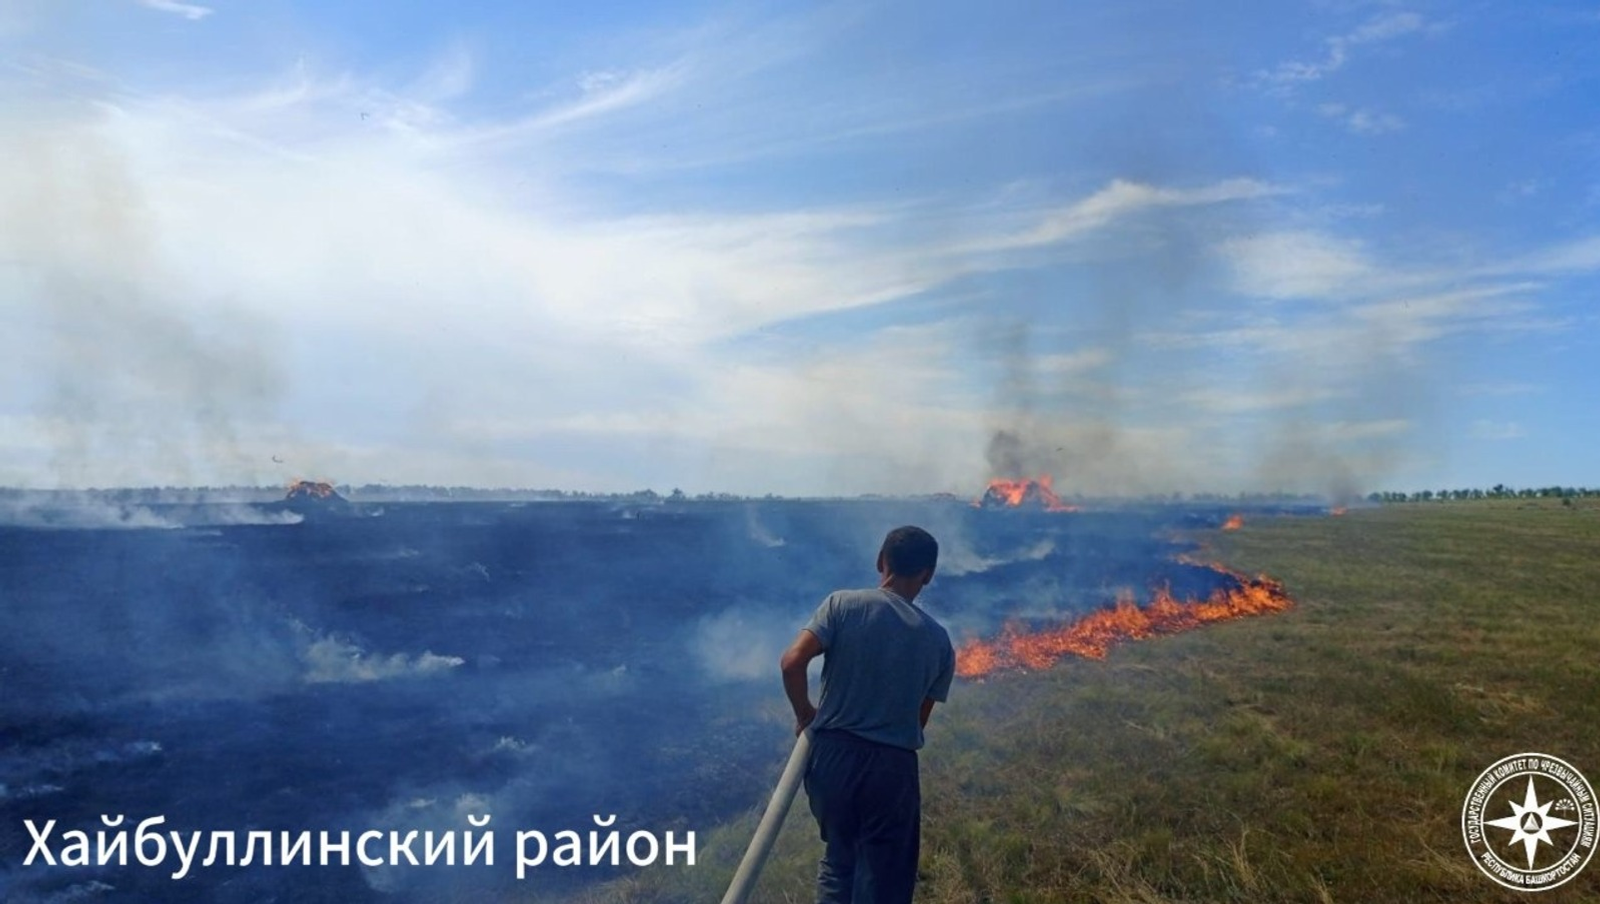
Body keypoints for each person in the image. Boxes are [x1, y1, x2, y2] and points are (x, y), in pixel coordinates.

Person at [779, 525, 956, 904]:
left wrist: (805, 714)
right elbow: (917, 721)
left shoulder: (841, 605)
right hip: (891, 767)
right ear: (928, 574)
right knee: (884, 876)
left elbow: (792, 662)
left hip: (831, 761)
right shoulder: (939, 641)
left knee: (839, 859)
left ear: (881, 560)